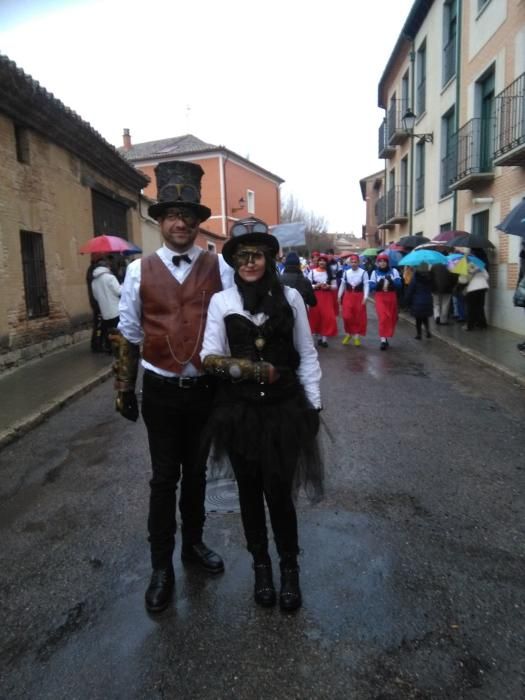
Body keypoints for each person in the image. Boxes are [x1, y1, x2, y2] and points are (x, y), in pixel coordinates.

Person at [113, 160, 233, 614]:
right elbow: (128, 331)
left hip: (205, 390)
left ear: (199, 222)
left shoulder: (218, 266)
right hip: (161, 391)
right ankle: (161, 566)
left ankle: (194, 545)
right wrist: (125, 388)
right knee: (164, 479)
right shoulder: (138, 271)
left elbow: (234, 320)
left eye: (187, 214)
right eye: (170, 214)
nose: (179, 222)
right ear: (160, 221)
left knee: (198, 474)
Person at [200, 217, 323, 612]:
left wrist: (314, 403)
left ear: (271, 258)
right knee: (249, 495)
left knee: (280, 495)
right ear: (233, 262)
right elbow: (207, 356)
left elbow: (306, 354)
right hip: (238, 414)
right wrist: (249, 370)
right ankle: (261, 568)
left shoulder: (290, 299)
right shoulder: (222, 302)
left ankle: (289, 570)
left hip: (285, 409)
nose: (249, 263)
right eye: (241, 257)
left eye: (257, 256)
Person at [369, 253, 402, 350]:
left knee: (392, 318)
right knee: (383, 318)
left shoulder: (394, 271)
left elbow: (399, 285)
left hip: (391, 297)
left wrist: (392, 282)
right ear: (378, 263)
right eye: (380, 261)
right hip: (380, 297)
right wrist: (378, 284)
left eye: (384, 261)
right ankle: (383, 340)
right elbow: (371, 287)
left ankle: (386, 337)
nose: (382, 263)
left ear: (387, 262)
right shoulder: (374, 273)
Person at [90, 257, 121, 353]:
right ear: (107, 267)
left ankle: (109, 348)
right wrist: (123, 286)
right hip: (115, 310)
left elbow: (95, 297)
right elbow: (119, 291)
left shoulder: (94, 281)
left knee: (109, 331)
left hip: (105, 311)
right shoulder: (110, 278)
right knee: (118, 331)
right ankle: (118, 349)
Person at [307, 255, 338, 347]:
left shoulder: (330, 273)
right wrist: (315, 286)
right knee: (315, 317)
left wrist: (328, 286)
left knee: (327, 317)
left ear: (326, 262)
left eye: (323, 261)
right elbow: (308, 285)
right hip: (315, 296)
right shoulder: (312, 272)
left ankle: (324, 339)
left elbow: (335, 286)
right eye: (320, 260)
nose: (321, 262)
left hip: (327, 297)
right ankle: (318, 337)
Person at [338, 253, 369, 346]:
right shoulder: (346, 272)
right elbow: (342, 285)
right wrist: (339, 296)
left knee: (357, 317)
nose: (354, 264)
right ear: (349, 263)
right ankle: (348, 333)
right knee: (346, 316)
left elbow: (366, 285)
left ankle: (356, 336)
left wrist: (365, 297)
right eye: (352, 262)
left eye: (355, 262)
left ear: (358, 262)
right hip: (348, 296)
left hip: (359, 297)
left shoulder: (364, 272)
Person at [404, 263, 433, 339]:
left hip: (417, 301)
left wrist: (407, 300)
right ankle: (427, 331)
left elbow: (410, 290)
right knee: (425, 317)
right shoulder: (430, 277)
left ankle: (419, 334)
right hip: (427, 300)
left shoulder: (415, 278)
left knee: (418, 319)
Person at [463, 263, 489, 331]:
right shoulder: (480, 266)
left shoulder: (467, 266)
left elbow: (464, 280)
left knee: (470, 307)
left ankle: (469, 326)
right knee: (480, 306)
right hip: (482, 288)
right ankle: (482, 324)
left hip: (472, 288)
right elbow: (487, 276)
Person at [86, 254, 104, 353]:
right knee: (98, 323)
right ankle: (96, 344)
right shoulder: (92, 270)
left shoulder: (92, 269)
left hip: (96, 300)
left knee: (99, 323)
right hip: (96, 301)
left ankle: (98, 343)